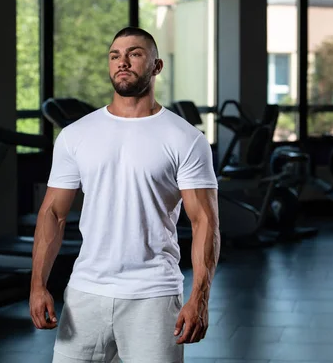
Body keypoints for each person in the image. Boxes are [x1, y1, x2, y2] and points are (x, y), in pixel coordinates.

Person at [29, 26, 220, 362]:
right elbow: (53, 215)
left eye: (134, 54)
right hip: (85, 293)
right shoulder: (76, 135)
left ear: (156, 66)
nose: (123, 62)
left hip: (154, 295)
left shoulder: (185, 138)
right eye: (115, 55)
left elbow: (204, 220)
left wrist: (199, 298)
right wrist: (37, 285)